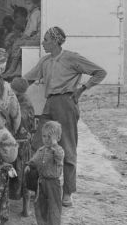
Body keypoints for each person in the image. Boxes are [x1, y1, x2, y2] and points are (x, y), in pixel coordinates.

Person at [24, 26, 107, 207]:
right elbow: (27, 78)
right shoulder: (45, 61)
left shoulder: (71, 58)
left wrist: (82, 89)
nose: (43, 43)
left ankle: (68, 192)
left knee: (68, 146)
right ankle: (35, 187)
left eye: (46, 40)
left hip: (66, 103)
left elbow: (100, 72)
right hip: (49, 103)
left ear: (55, 41)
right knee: (37, 143)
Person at [25, 121, 64, 225]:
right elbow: (35, 160)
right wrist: (29, 165)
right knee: (43, 206)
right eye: (44, 136)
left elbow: (59, 157)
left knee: (54, 208)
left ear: (57, 138)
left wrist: (54, 146)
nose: (46, 139)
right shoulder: (41, 150)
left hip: (54, 184)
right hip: (42, 182)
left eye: (50, 137)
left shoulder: (58, 150)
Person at [10, 77, 37, 216]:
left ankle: (25, 207)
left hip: (17, 144)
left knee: (19, 173)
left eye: (16, 93)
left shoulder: (19, 102)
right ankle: (24, 207)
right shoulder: (25, 102)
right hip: (19, 143)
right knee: (17, 173)